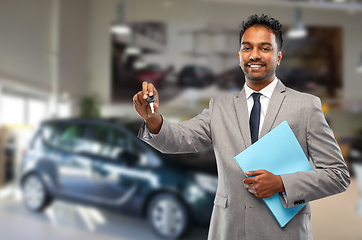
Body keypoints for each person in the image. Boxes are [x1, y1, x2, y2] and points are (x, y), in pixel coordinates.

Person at [133, 14, 350, 240]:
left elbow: (337, 175)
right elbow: (180, 139)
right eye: (247, 48)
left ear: (279, 56)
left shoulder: (306, 106)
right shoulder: (219, 107)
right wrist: (154, 119)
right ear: (239, 56)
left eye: (265, 48)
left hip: (285, 232)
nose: (254, 55)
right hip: (230, 230)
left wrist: (281, 183)